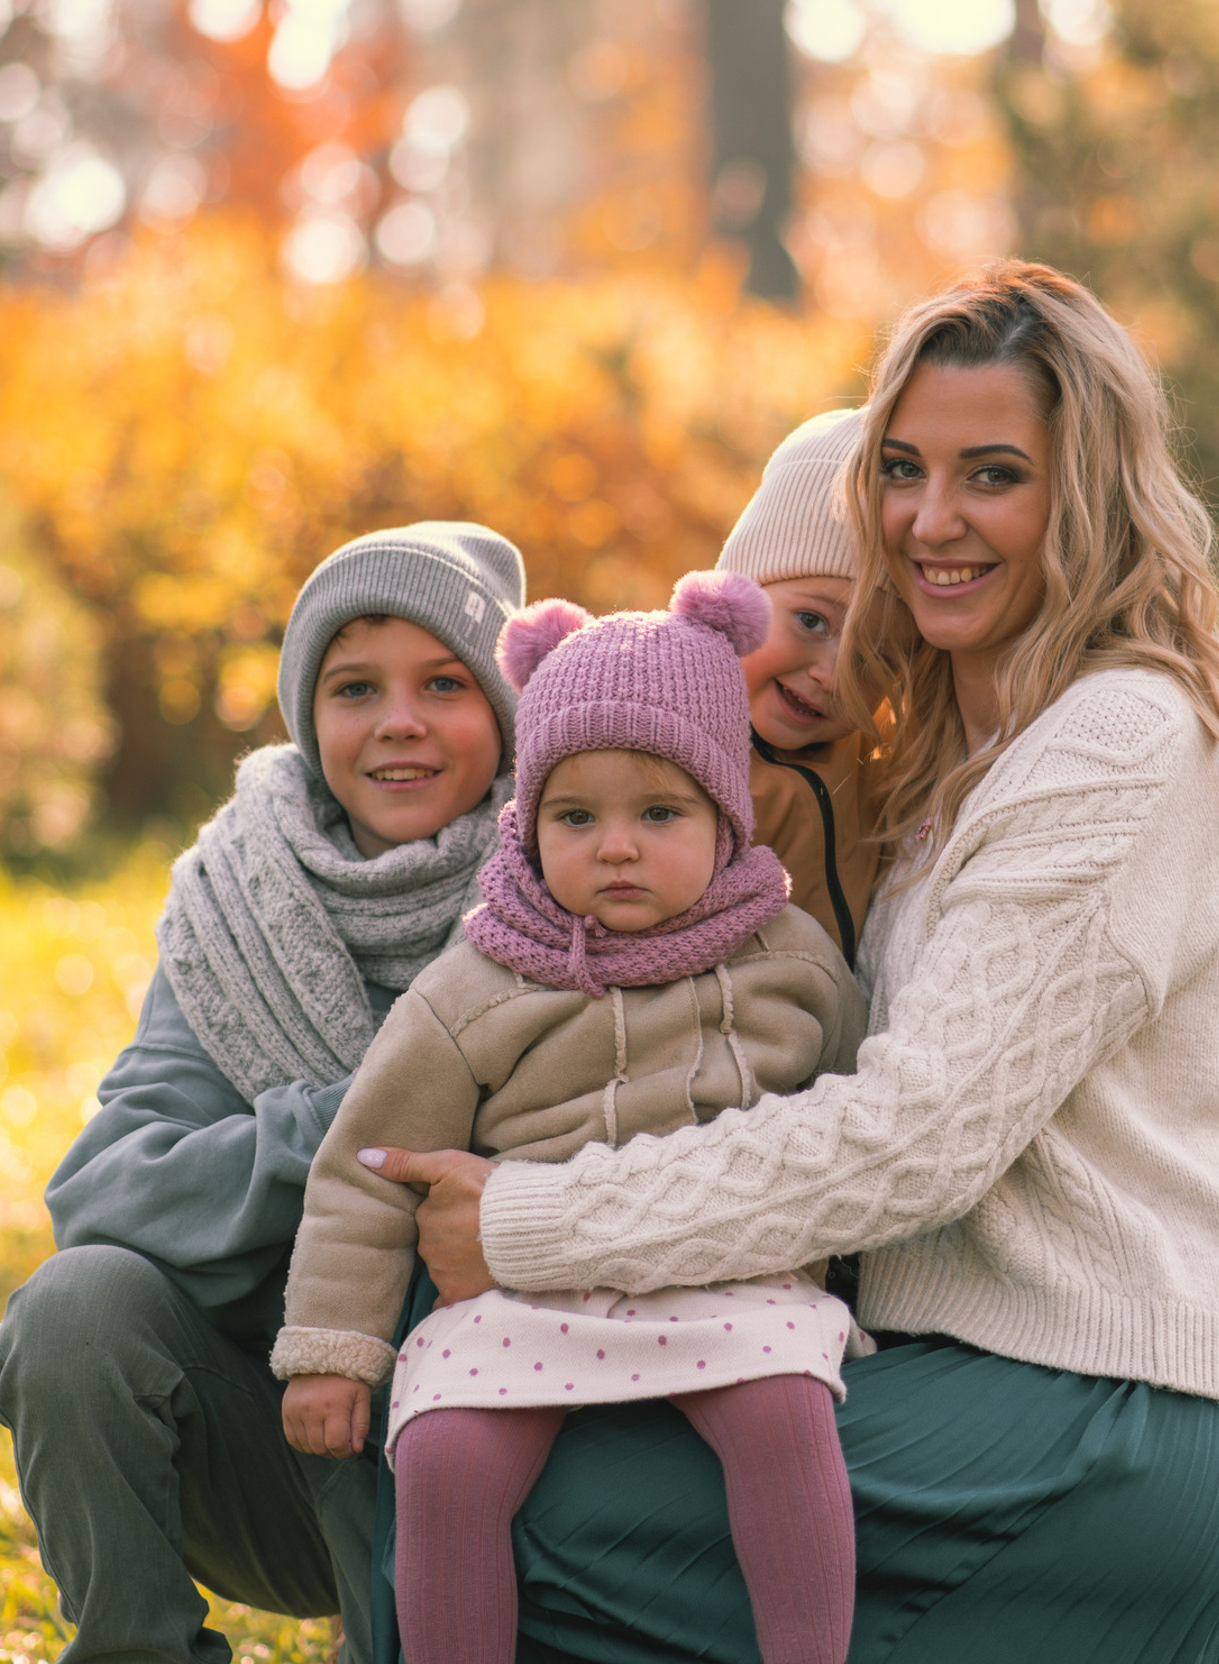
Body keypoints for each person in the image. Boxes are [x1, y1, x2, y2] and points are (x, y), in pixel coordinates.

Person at [364, 264, 1219, 1662]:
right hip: (988, 1382)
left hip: (1110, 1414)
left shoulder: (1117, 742)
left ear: (1090, 495)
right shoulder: (957, 767)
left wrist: (530, 1224)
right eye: (906, 472)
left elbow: (917, 1138)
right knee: (466, 1461)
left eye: (994, 475)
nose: (934, 520)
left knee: (517, 1520)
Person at [272, 571, 867, 1664]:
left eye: (661, 813)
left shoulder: (788, 961)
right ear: (529, 818)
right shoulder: (485, 975)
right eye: (576, 815)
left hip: (723, 1270)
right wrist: (335, 1346)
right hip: (521, 1278)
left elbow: (860, 1119)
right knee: (447, 1456)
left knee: (787, 1417)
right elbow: (371, 1161)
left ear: (726, 815)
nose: (618, 847)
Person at [0, 522, 527, 1664]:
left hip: (518, 1446)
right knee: (74, 1310)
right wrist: (362, 1125)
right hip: (271, 1439)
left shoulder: (576, 873)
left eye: (445, 682)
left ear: (508, 707)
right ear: (306, 713)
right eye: (353, 686)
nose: (398, 720)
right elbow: (107, 1191)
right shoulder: (240, 906)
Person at [719, 409, 884, 964]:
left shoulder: (877, 761)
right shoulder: (670, 741)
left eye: (874, 655)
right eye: (812, 621)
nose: (833, 676)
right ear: (738, 598)